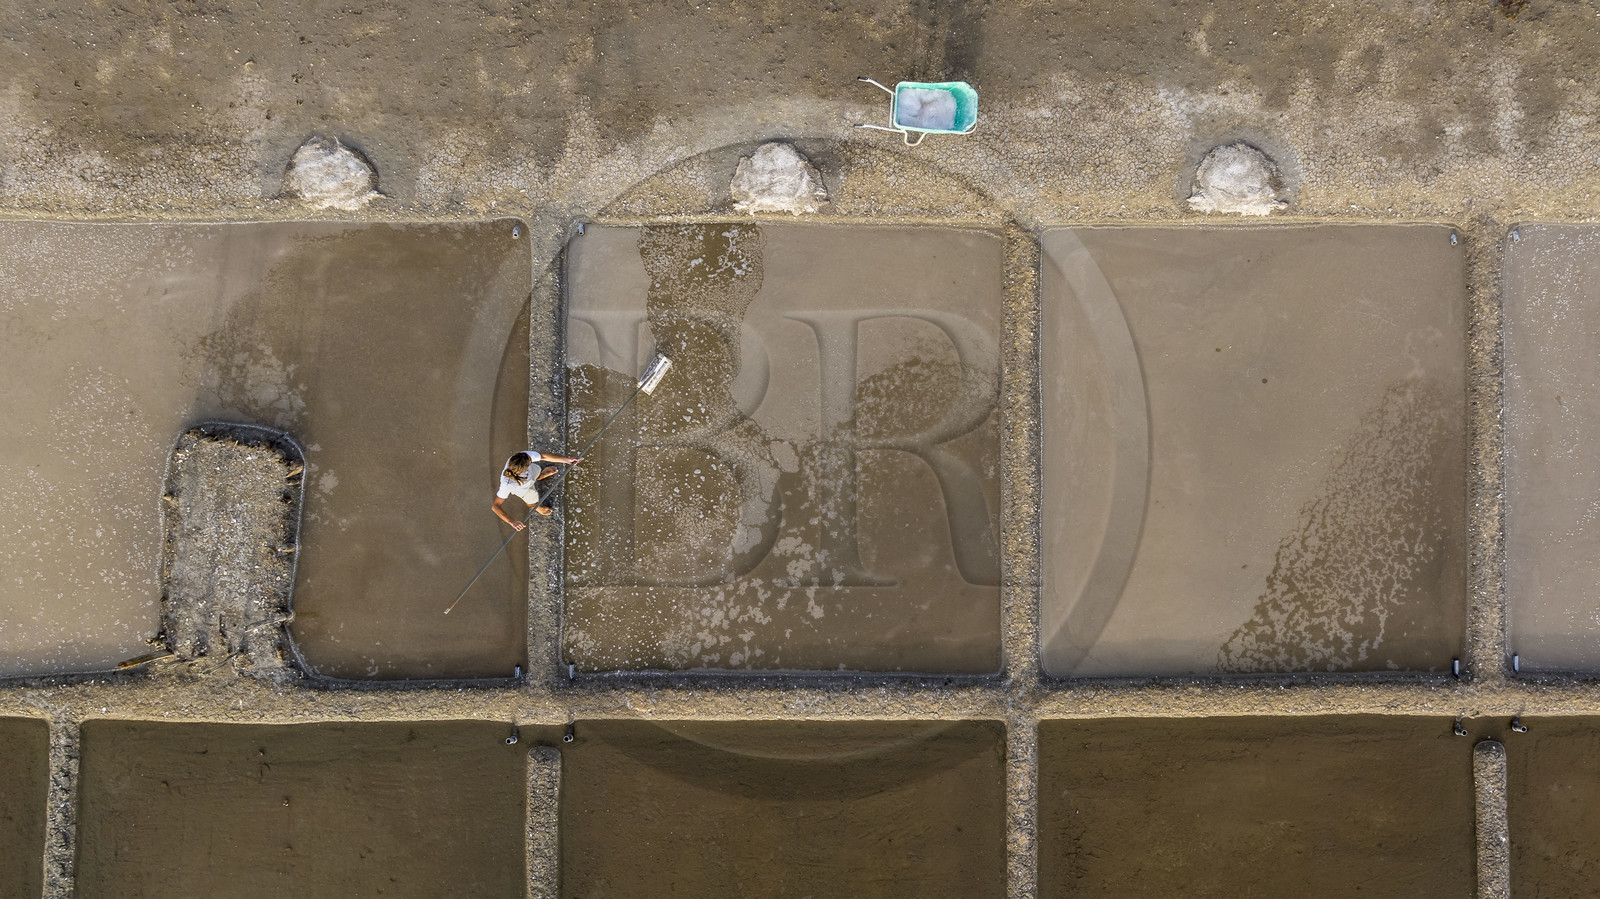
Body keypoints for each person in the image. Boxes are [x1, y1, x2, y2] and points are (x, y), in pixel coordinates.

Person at [492, 450, 580, 530]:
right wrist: (512, 522)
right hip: (523, 490)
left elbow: (543, 456)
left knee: (536, 470)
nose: (530, 458)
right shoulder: (507, 485)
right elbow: (496, 506)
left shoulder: (522, 457)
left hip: (530, 474)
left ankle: (541, 475)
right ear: (524, 469)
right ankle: (537, 507)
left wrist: (566, 460)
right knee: (532, 500)